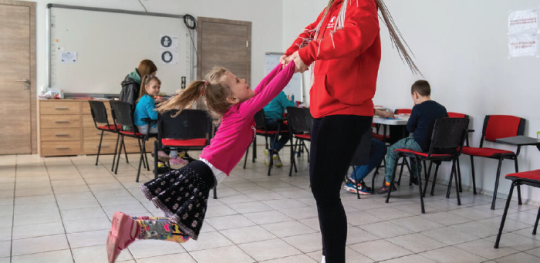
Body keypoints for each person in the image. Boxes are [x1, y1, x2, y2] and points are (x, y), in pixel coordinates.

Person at [105, 61, 297, 263]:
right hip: (202, 175)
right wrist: (293, 65)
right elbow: (271, 90)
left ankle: (131, 228)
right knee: (182, 232)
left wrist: (282, 64)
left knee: (179, 227)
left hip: (199, 172)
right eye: (238, 81)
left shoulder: (238, 110)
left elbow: (264, 87)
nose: (246, 81)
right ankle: (131, 227)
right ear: (231, 98)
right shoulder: (242, 112)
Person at [282, 0, 420, 262]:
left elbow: (358, 36)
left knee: (326, 192)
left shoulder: (360, 2)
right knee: (322, 191)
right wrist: (292, 53)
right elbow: (312, 32)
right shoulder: (333, 8)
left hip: (345, 110)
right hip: (324, 108)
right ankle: (329, 256)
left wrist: (308, 54)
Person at [378, 80, 448, 194]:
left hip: (420, 145)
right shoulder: (442, 108)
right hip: (436, 147)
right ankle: (415, 176)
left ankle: (388, 183)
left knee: (392, 150)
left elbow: (409, 128)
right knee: (412, 147)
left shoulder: (418, 108)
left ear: (415, 94)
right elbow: (445, 126)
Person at [134, 75, 186, 166]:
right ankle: (173, 157)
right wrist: (162, 109)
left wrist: (156, 104)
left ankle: (164, 151)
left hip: (142, 126)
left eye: (158, 87)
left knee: (167, 129)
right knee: (171, 131)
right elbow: (154, 117)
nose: (157, 89)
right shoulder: (149, 100)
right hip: (146, 127)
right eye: (154, 87)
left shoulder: (145, 98)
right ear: (146, 87)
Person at [343, 109, 394, 195]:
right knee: (380, 148)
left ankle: (353, 179)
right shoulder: (359, 98)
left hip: (338, 133)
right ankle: (354, 180)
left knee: (371, 147)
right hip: (352, 133)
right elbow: (367, 108)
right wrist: (384, 113)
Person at [263, 91, 296, 167]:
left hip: (263, 122)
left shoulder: (265, 92)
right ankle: (273, 150)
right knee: (289, 132)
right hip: (273, 122)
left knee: (274, 134)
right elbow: (288, 105)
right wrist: (291, 101)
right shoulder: (279, 93)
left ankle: (274, 158)